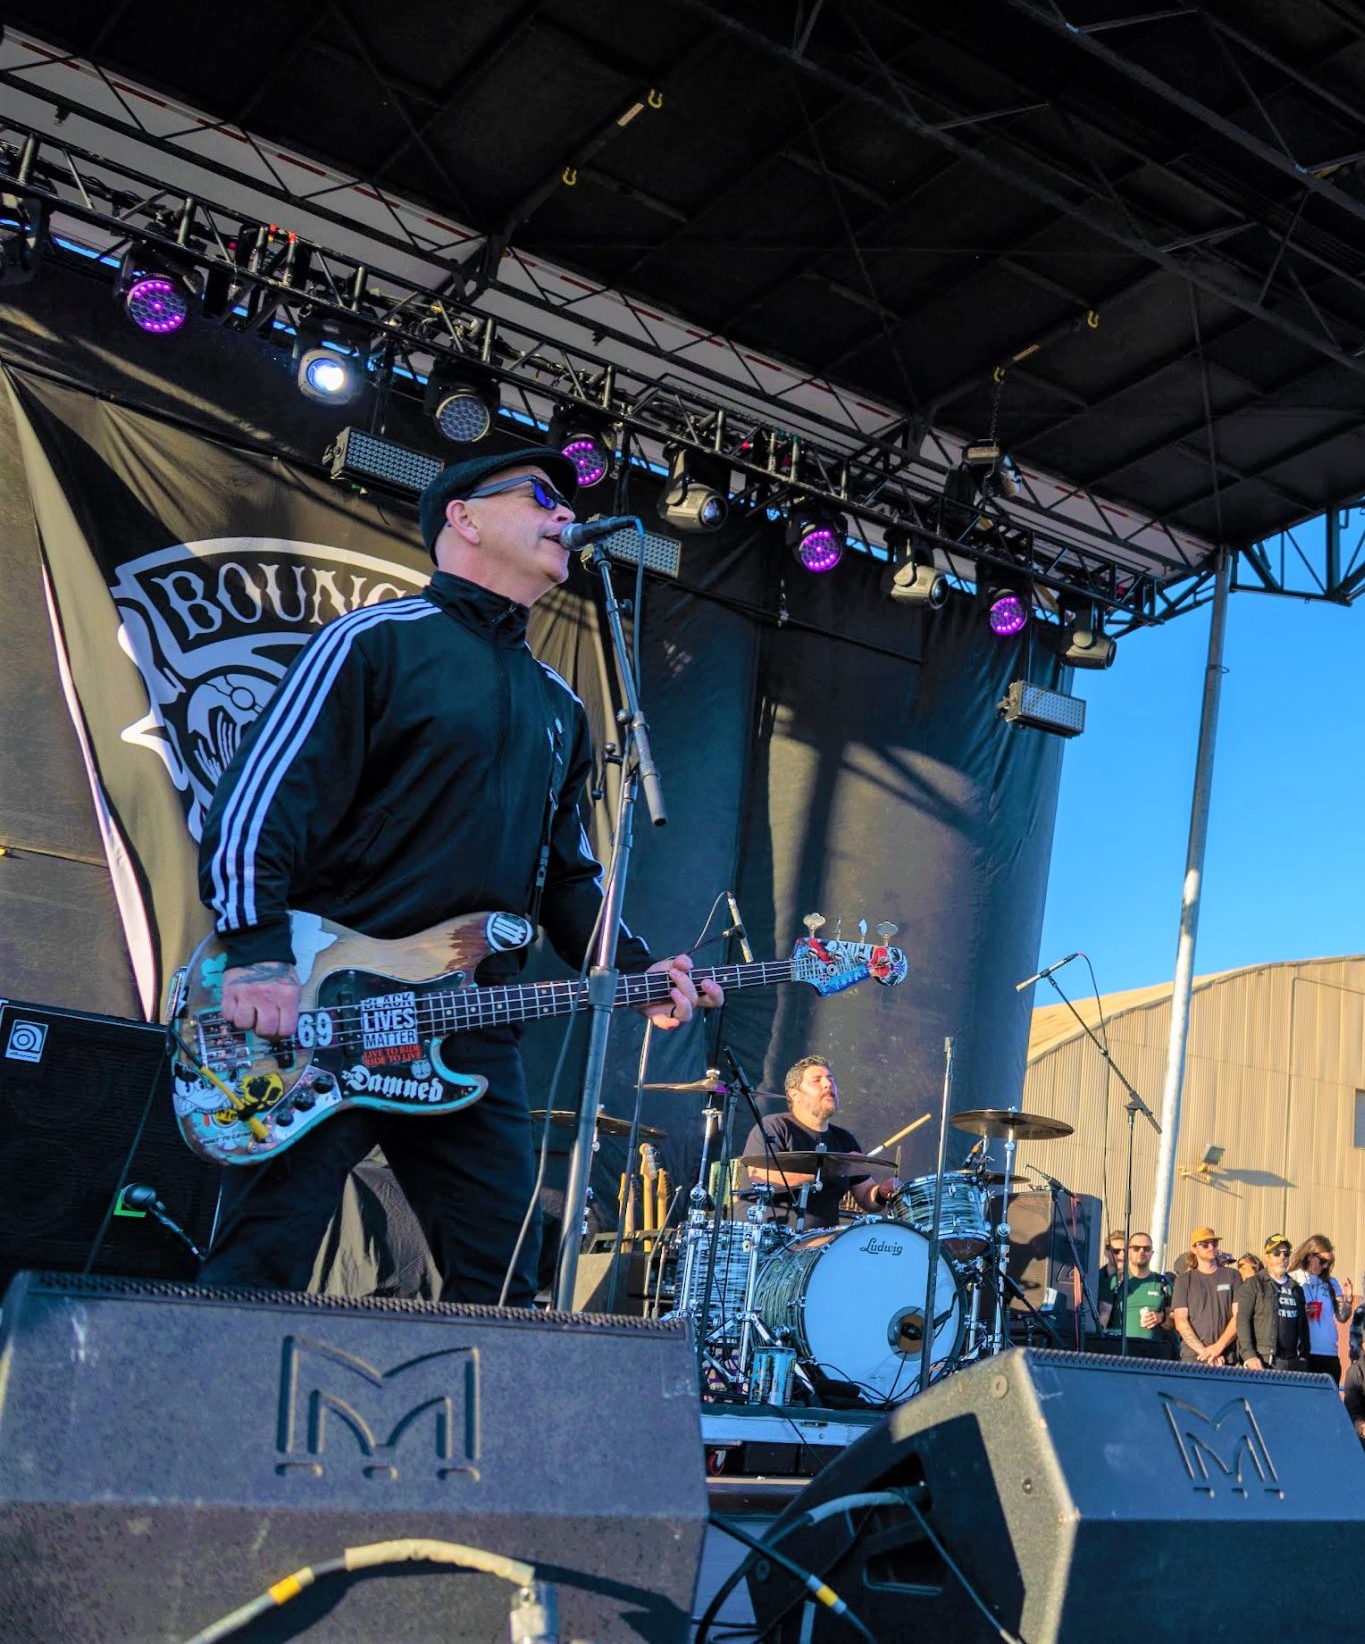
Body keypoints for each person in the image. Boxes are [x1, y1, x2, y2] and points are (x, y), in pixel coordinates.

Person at [193, 449, 721, 1304]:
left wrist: (633, 971)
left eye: (568, 502)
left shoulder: (560, 706)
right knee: (259, 1263)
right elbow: (258, 799)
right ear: (464, 519)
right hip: (328, 1007)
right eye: (543, 496)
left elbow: (567, 877)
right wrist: (257, 951)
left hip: (465, 1024)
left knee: (507, 1282)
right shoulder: (375, 642)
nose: (564, 514)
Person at [742, 1056, 902, 1227]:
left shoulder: (844, 1140)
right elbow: (762, 1177)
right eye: (816, 1080)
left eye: (830, 1079)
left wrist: (881, 1192)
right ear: (795, 1095)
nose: (827, 1084)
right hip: (774, 1238)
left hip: (824, 1243)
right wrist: (829, 1169)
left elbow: (866, 1197)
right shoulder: (774, 1126)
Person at [1172, 1225, 1242, 1364]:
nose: (1211, 1247)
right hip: (1193, 1357)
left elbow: (1238, 1316)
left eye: (1214, 1243)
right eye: (1205, 1244)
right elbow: (1180, 1321)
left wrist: (1218, 1347)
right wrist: (1204, 1352)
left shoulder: (1232, 1276)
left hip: (1226, 1355)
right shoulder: (1184, 1280)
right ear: (1193, 1249)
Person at [1099, 1231, 1172, 1357]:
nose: (1141, 1252)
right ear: (1128, 1252)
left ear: (1152, 1253)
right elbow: (1104, 1316)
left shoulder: (1163, 1283)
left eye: (1147, 1249)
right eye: (1136, 1248)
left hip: (1154, 1353)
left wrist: (1161, 1317)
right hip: (1121, 1352)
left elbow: (1173, 1321)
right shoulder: (1114, 1281)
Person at [1236, 1248, 1309, 1371]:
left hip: (1292, 1361)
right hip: (1264, 1360)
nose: (1282, 1257)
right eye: (1276, 1253)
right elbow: (1242, 1321)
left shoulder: (1296, 1288)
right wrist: (1249, 1355)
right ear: (1267, 1257)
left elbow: (1303, 1325)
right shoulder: (1254, 1284)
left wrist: (1303, 1357)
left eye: (1286, 1254)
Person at [1291, 1234, 1348, 1380]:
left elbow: (1342, 1317)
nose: (1325, 1267)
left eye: (1329, 1263)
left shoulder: (1331, 1282)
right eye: (1322, 1261)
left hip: (1329, 1353)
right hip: (1305, 1352)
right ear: (1310, 1255)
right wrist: (1303, 1311)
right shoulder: (1293, 1278)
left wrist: (1347, 1300)